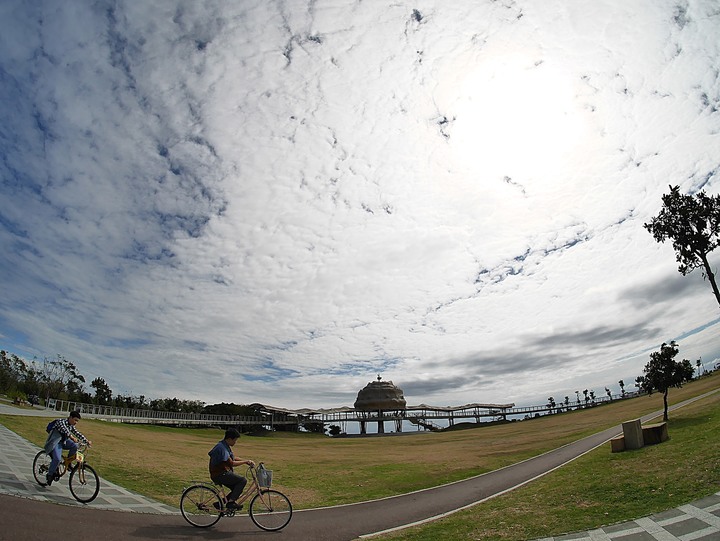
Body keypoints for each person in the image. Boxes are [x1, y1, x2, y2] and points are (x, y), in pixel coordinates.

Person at [208, 428, 254, 510]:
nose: (235, 442)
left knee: (236, 489)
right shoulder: (221, 448)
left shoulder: (225, 445)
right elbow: (232, 463)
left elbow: (233, 458)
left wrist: (246, 461)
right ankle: (231, 503)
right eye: (235, 440)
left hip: (222, 472)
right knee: (242, 481)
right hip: (219, 474)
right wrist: (245, 462)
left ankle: (220, 503)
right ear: (229, 439)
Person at [43, 410, 91, 486]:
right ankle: (50, 474)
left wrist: (86, 441)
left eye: (77, 421)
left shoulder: (71, 426)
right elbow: (65, 430)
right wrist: (71, 437)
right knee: (57, 459)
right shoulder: (61, 422)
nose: (76, 422)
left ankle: (68, 463)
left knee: (75, 446)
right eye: (75, 420)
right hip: (55, 443)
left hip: (64, 442)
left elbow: (77, 433)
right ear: (70, 417)